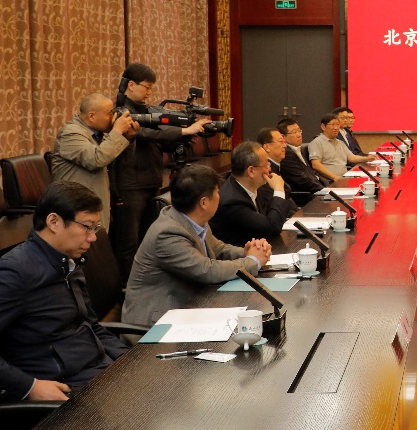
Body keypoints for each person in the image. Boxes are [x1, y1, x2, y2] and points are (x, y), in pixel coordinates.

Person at [0, 182, 129, 402]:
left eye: (95, 228)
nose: (93, 237)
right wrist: (29, 386)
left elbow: (91, 325)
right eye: (87, 227)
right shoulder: (14, 273)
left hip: (100, 371)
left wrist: (129, 359)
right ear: (54, 222)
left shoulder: (68, 262)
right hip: (67, 390)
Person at [122, 164, 271, 326]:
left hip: (189, 308)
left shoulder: (193, 219)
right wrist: (252, 261)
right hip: (156, 324)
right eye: (217, 192)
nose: (220, 197)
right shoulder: (168, 233)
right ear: (204, 202)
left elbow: (218, 249)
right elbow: (207, 270)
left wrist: (247, 251)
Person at [110, 63, 211, 275]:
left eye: (151, 88)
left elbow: (157, 142)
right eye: (147, 87)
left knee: (150, 237)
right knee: (128, 242)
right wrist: (183, 131)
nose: (150, 92)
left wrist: (182, 139)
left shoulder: (146, 109)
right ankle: (127, 286)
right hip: (130, 186)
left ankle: (150, 279)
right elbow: (145, 134)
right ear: (131, 85)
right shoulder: (121, 111)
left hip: (151, 180)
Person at [50, 93, 135, 227]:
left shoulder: (97, 134)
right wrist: (117, 131)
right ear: (91, 116)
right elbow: (97, 159)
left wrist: (127, 137)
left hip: (92, 208)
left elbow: (111, 156)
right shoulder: (70, 133)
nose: (113, 117)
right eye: (109, 113)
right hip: (76, 212)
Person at [209, 142, 296, 247]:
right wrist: (278, 189)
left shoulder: (254, 186)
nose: (269, 169)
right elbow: (273, 227)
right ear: (251, 171)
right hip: (240, 254)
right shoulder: (232, 202)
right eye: (266, 165)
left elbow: (272, 215)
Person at [308, 112, 376, 182]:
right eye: (332, 124)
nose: (336, 128)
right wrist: (334, 177)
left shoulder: (340, 142)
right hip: (330, 181)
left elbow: (351, 157)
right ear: (323, 126)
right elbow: (316, 165)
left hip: (344, 177)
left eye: (337, 124)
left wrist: (367, 158)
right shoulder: (317, 143)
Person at [277, 118, 328, 194]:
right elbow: (301, 180)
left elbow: (312, 173)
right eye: (294, 132)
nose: (299, 135)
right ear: (283, 137)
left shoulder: (297, 149)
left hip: (317, 188)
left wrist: (327, 187)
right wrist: (324, 191)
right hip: (305, 194)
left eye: (299, 131)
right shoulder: (286, 154)